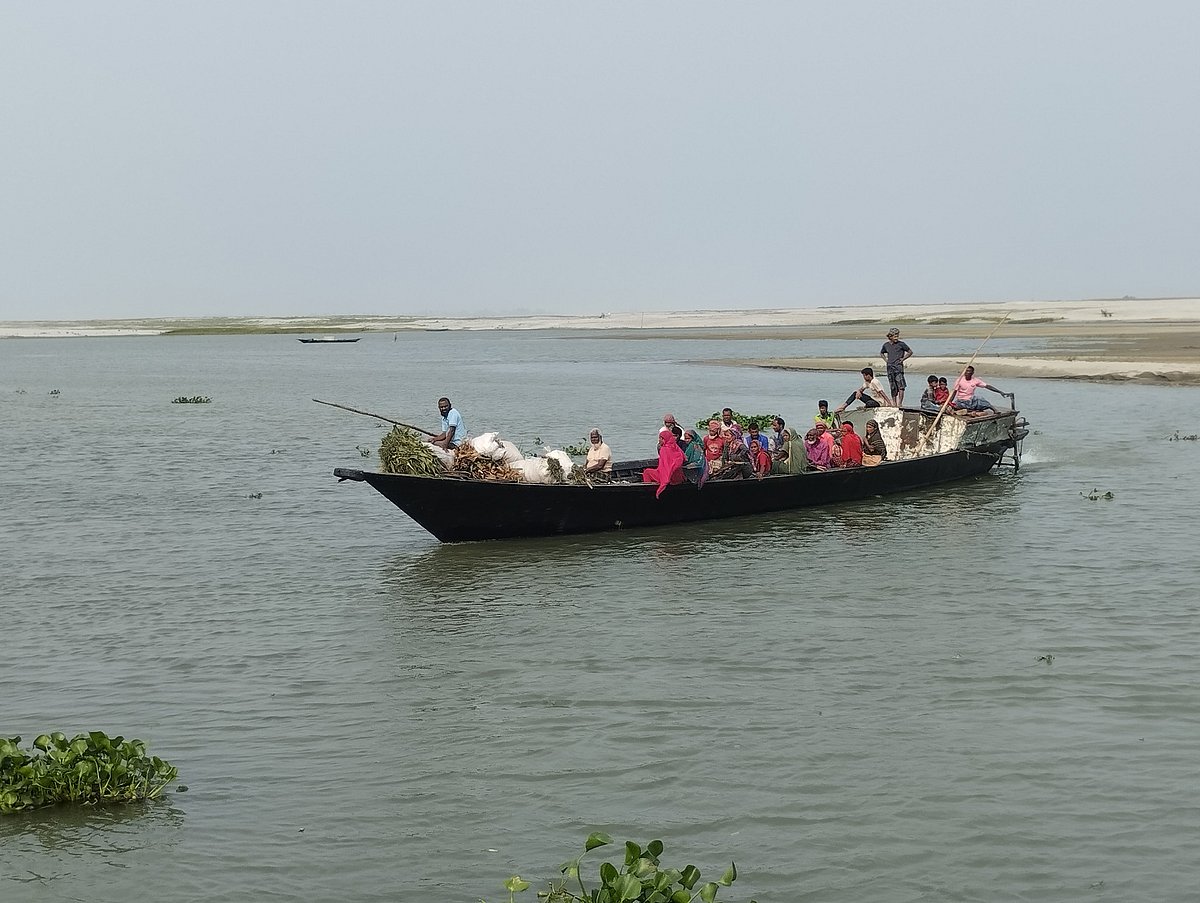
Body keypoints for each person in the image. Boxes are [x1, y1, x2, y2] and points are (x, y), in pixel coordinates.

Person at [642, 429, 686, 497]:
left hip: (670, 477)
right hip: (678, 477)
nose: (659, 440)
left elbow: (665, 467)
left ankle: (648, 492)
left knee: (646, 472)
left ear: (664, 439)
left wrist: (665, 480)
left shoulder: (664, 449)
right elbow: (683, 458)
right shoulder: (676, 447)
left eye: (661, 438)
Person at [880, 328, 914, 407]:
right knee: (893, 386)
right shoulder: (886, 345)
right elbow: (881, 353)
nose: (896, 338)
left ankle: (900, 403)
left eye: (897, 336)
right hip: (890, 368)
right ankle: (894, 403)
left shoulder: (901, 344)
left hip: (898, 368)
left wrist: (902, 359)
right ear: (890, 336)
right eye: (895, 336)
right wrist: (886, 360)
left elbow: (910, 352)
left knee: (901, 386)